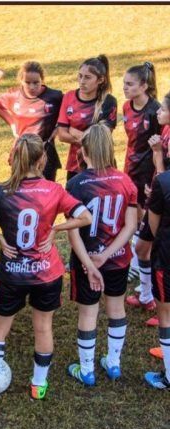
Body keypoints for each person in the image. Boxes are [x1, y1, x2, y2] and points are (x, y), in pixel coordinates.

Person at [0, 134, 92, 409]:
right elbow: (85, 217)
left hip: (12, 274)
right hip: (47, 273)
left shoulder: (0, 190)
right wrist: (57, 228)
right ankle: (38, 385)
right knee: (43, 327)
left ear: (14, 158)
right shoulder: (54, 190)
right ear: (42, 159)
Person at [65, 124, 138, 385]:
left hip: (87, 262)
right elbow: (131, 225)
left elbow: (73, 232)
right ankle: (114, 363)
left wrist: (90, 262)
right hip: (117, 258)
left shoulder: (75, 184)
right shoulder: (125, 181)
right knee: (116, 308)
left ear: (83, 152)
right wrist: (107, 254)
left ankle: (86, 370)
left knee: (88, 313)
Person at [120, 63, 162, 316]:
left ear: (144, 86)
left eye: (130, 84)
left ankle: (147, 286)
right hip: (130, 170)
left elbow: (160, 147)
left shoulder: (155, 111)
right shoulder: (126, 107)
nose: (125, 88)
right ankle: (141, 278)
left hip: (148, 175)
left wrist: (155, 178)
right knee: (134, 221)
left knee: (148, 228)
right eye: (124, 83)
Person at [0, 61, 63, 181]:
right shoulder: (13, 96)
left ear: (42, 80)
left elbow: (68, 112)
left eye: (36, 83)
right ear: (21, 81)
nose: (32, 87)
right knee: (21, 190)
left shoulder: (55, 96)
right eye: (27, 83)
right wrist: (12, 123)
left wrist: (58, 128)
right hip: (22, 150)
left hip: (45, 150)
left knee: (46, 191)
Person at [56, 55, 118, 181]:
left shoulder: (108, 102)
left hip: (100, 165)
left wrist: (73, 131)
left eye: (88, 77)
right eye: (80, 75)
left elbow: (101, 140)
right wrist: (88, 137)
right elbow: (62, 135)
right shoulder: (69, 97)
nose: (82, 81)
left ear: (100, 80)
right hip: (75, 166)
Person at [144, 156, 170, 389]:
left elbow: (152, 228)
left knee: (166, 315)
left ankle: (169, 376)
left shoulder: (162, 182)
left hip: (166, 258)